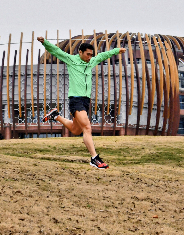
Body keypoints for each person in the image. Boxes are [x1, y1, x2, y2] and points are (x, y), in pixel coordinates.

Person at [37, 36, 126, 169]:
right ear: (80, 52)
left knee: (75, 130)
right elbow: (56, 51)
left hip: (85, 100)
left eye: (91, 55)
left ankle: (56, 115)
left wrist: (116, 50)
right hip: (76, 99)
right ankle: (94, 158)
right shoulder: (72, 60)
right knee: (87, 128)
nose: (90, 57)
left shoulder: (91, 61)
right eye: (87, 54)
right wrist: (45, 42)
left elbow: (102, 56)